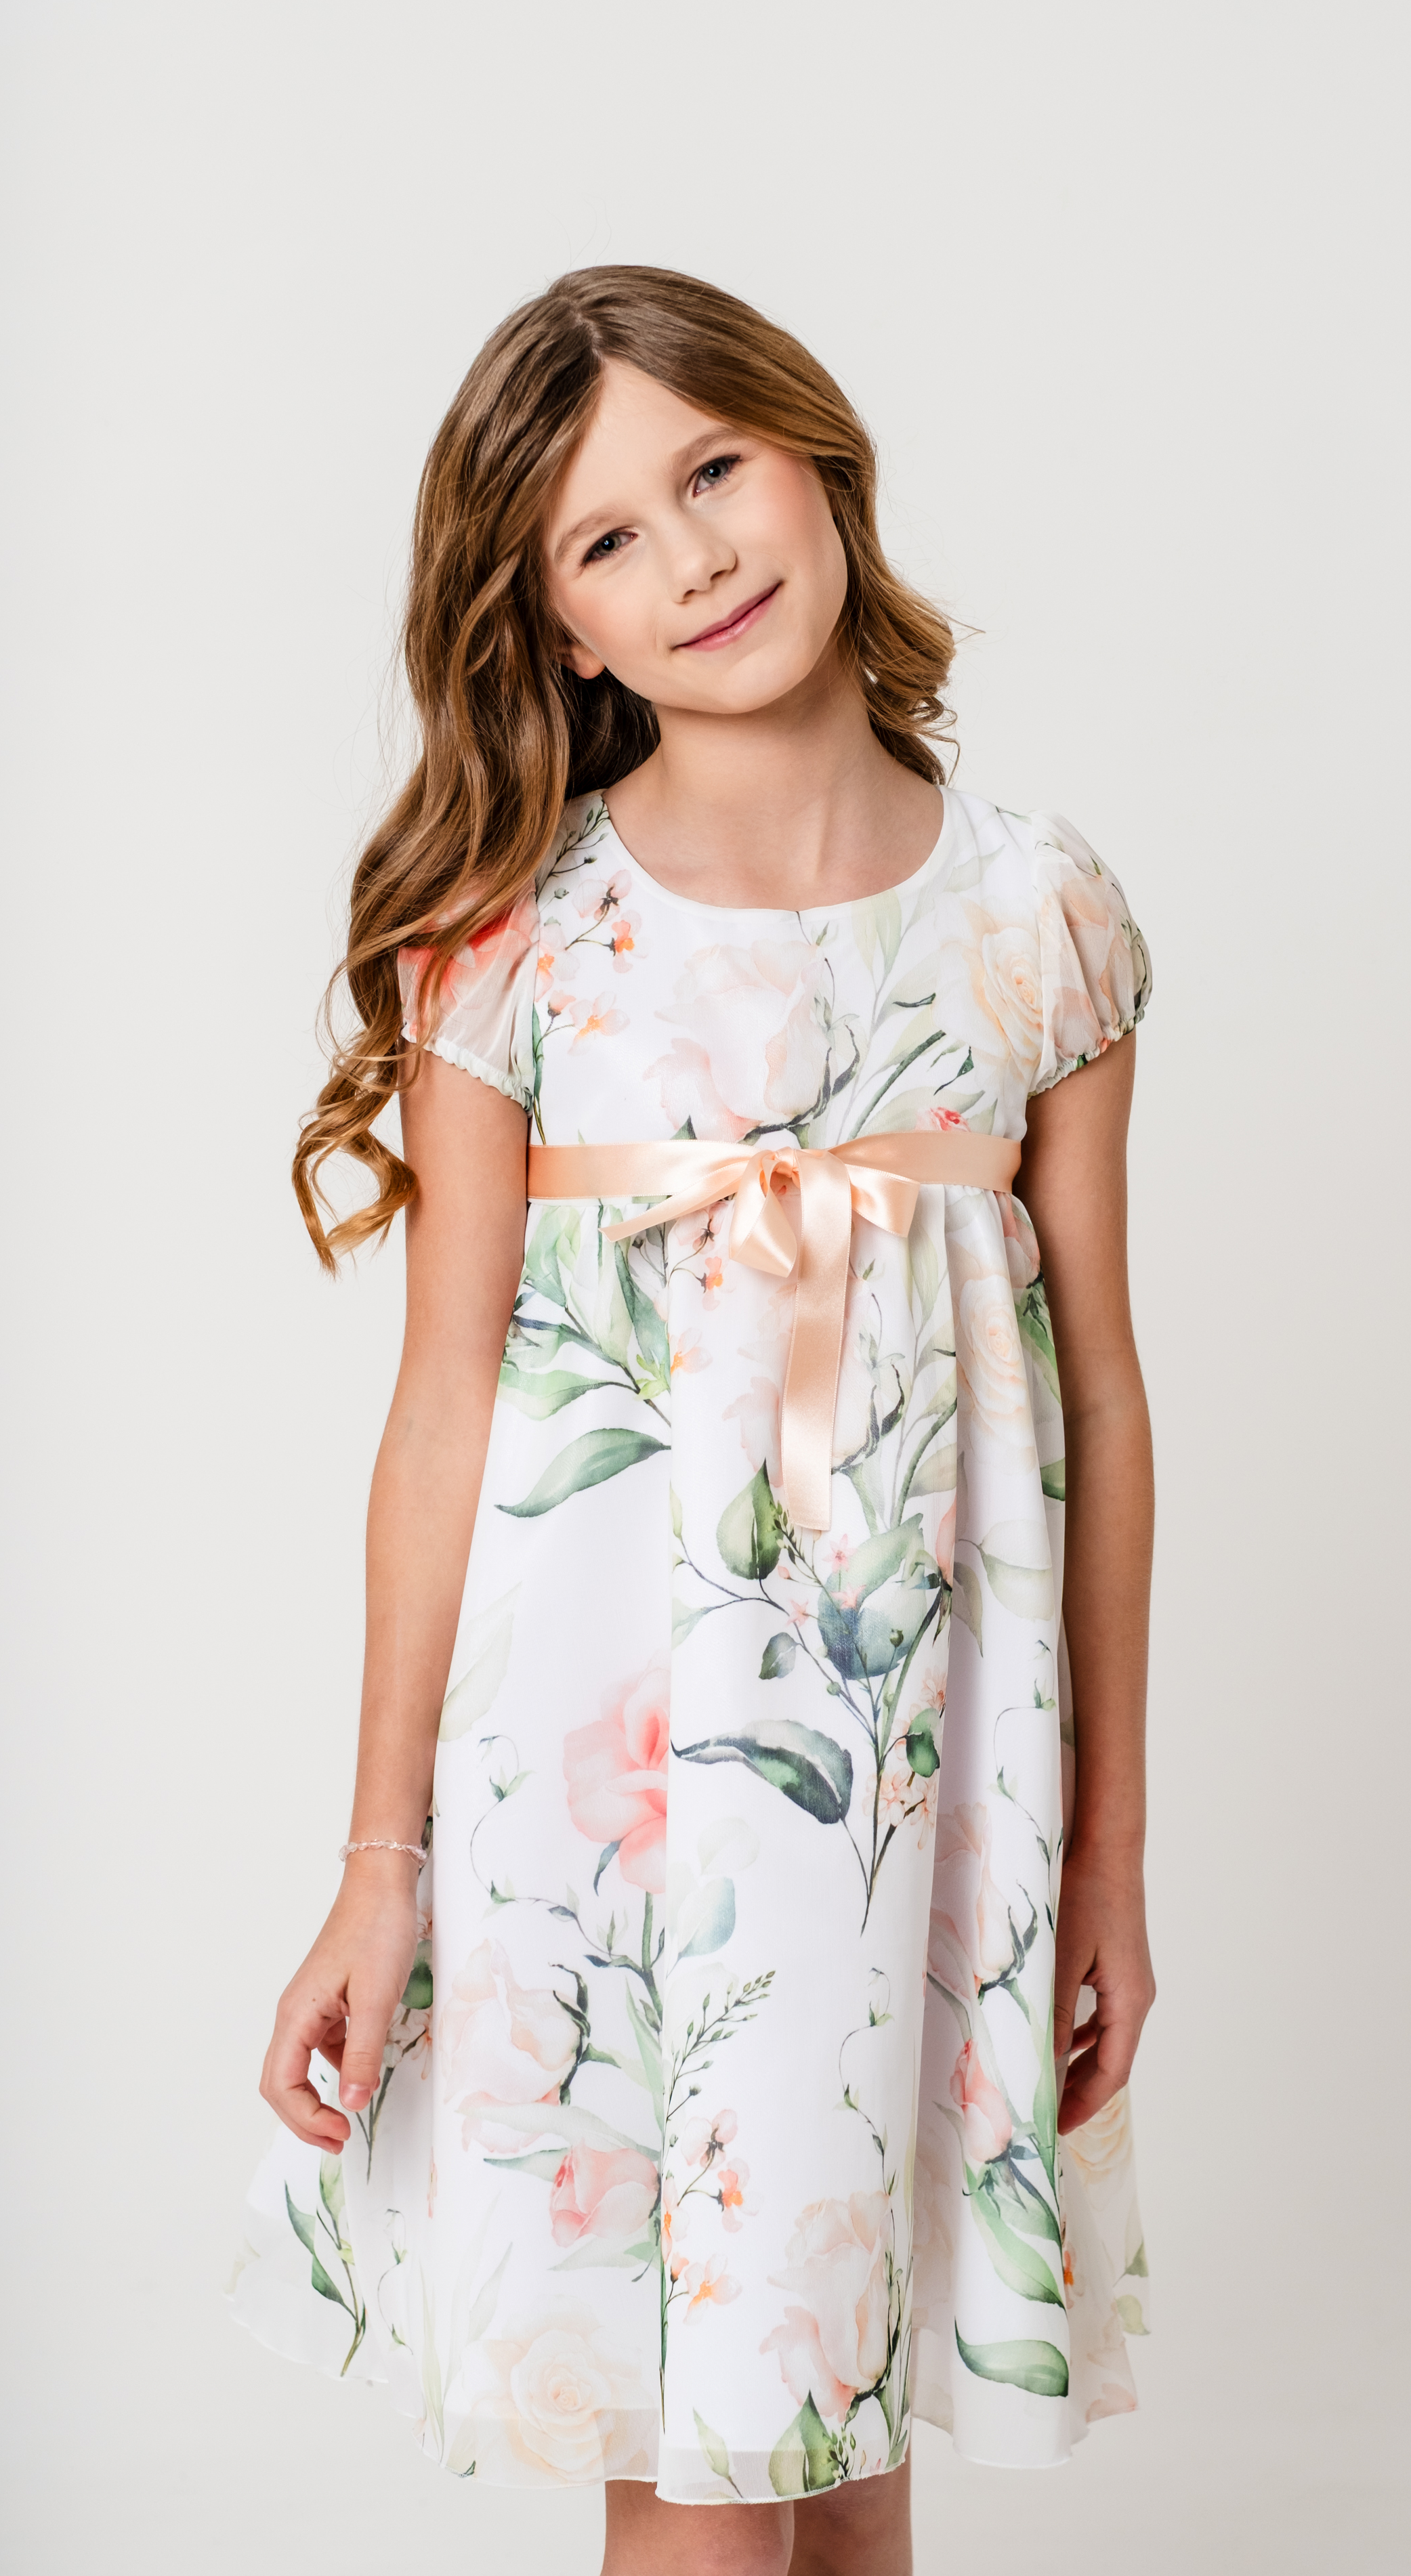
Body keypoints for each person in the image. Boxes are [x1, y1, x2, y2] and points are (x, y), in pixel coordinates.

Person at [233, 266, 1156, 2576]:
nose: (694, 558)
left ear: (811, 445)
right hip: (608, 1811)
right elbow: (443, 1406)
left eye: (711, 470)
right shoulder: (511, 936)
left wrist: (1107, 1866)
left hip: (923, 1790)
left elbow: (1099, 1401)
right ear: (555, 626)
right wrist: (378, 1867)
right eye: (605, 540)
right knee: (699, 2481)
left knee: (846, 2456)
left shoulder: (1038, 914)